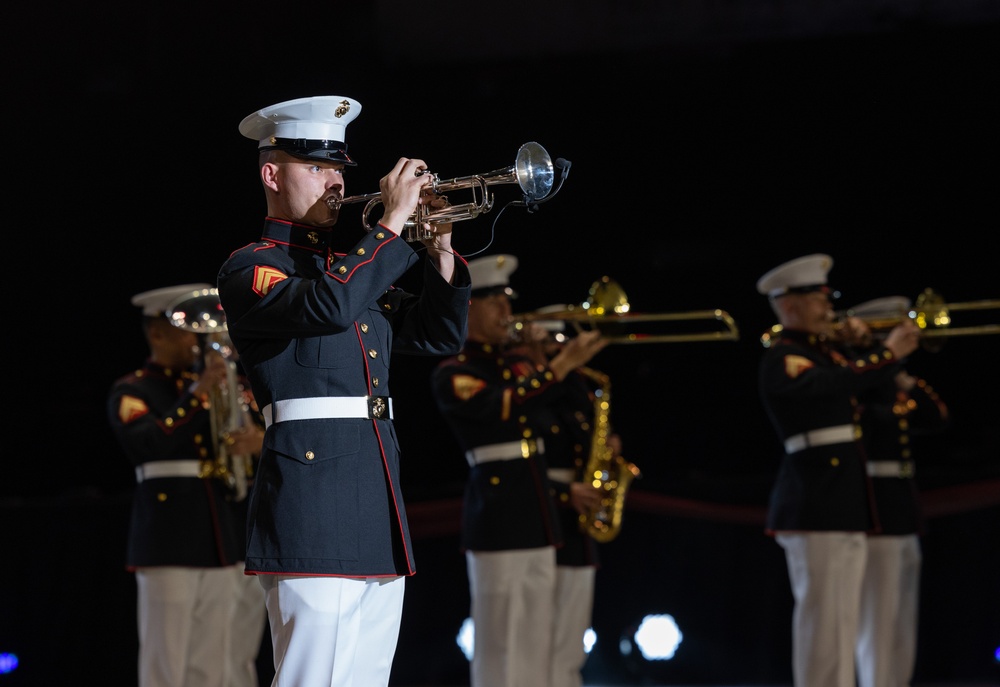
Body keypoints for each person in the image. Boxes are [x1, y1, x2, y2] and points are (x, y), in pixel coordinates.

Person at [216, 94, 471, 687]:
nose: (335, 182)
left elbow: (438, 335)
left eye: (339, 170)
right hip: (311, 502)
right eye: (317, 168)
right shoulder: (252, 266)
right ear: (271, 174)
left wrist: (437, 248)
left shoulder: (353, 268)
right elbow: (328, 305)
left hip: (373, 499)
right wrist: (390, 225)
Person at [429, 254, 608, 687]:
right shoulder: (455, 371)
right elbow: (501, 409)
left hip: (536, 511)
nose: (508, 314)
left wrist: (552, 361)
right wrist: (556, 366)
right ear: (469, 307)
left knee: (534, 636)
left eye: (509, 303)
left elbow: (565, 410)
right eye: (497, 305)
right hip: (500, 513)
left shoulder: (518, 365)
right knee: (500, 637)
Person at [755, 254, 922, 687]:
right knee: (824, 624)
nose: (828, 307)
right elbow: (831, 385)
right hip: (816, 500)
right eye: (816, 298)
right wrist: (884, 353)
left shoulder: (822, 352)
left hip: (841, 499)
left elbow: (856, 379)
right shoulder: (784, 356)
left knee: (843, 622)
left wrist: (868, 347)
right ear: (789, 305)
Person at [107, 283, 265, 687]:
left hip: (220, 532)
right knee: (167, 652)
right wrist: (198, 393)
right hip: (168, 537)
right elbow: (149, 445)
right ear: (157, 333)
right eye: (184, 327)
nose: (198, 338)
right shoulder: (134, 389)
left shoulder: (221, 382)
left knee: (213, 653)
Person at [848, 296, 950, 687]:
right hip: (878, 508)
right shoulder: (862, 380)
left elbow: (937, 418)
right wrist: (881, 363)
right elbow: (870, 422)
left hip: (903, 507)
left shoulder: (892, 380)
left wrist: (901, 377)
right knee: (878, 614)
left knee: (901, 613)